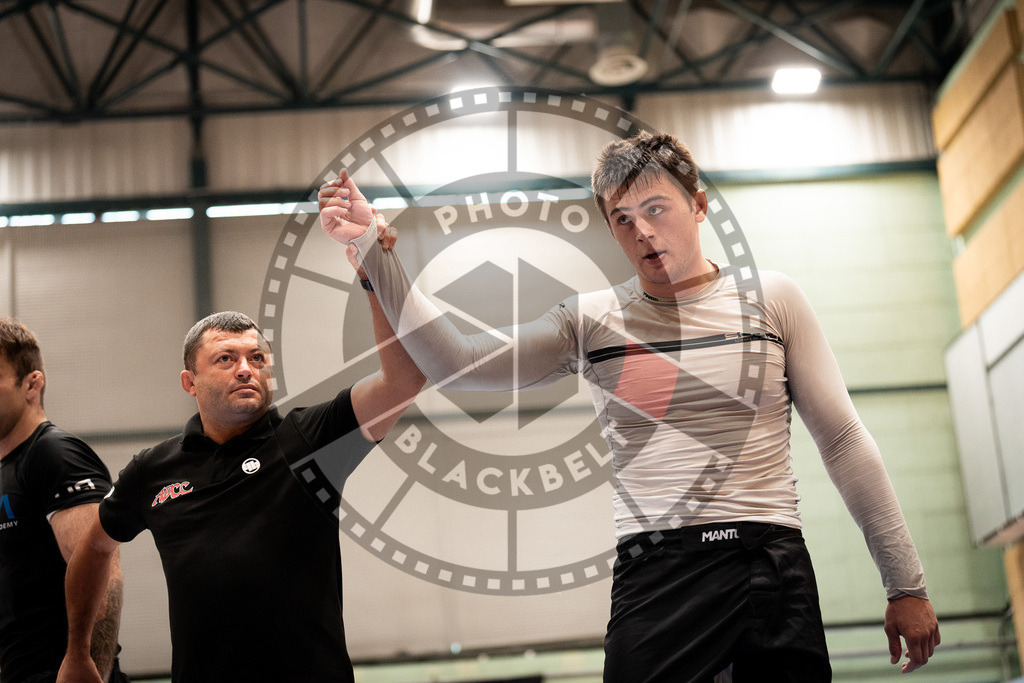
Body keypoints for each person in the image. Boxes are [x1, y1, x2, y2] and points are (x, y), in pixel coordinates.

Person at [318, 132, 941, 681]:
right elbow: (454, 362)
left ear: (697, 206)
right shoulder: (593, 320)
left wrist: (904, 582)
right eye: (621, 219)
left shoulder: (771, 299)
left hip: (769, 565)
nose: (642, 231)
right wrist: (374, 249)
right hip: (658, 573)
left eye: (655, 208)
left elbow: (842, 441)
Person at [57, 218, 426, 683]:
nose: (247, 369)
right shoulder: (153, 470)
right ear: (190, 383)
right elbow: (94, 545)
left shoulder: (309, 438)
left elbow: (405, 380)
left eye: (257, 358)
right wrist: (78, 652)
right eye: (226, 359)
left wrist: (374, 276)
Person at [0, 317, 128, 683]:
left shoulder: (55, 454)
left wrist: (90, 667)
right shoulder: (7, 466)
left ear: (32, 383)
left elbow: (104, 570)